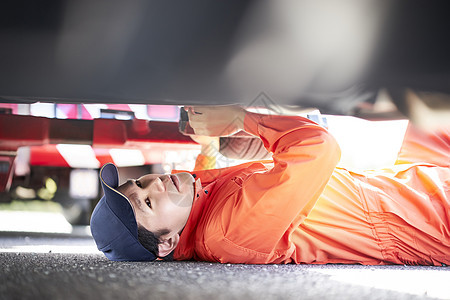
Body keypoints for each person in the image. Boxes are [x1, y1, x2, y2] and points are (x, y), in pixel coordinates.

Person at [90, 105, 449, 265]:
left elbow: (205, 173)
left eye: (138, 182)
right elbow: (318, 148)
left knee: (429, 93)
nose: (153, 184)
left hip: (404, 180)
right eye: (147, 203)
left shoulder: (199, 201)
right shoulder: (226, 233)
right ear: (167, 243)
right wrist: (239, 118)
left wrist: (216, 134)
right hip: (424, 217)